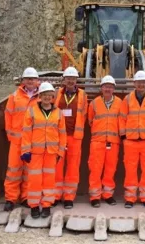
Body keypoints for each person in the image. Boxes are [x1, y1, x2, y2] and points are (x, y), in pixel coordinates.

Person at [21, 82, 66, 219]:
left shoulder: (58, 112)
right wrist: (26, 150)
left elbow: (62, 134)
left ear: (53, 96)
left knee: (49, 180)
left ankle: (47, 205)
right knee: (34, 179)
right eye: (44, 95)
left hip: (51, 152)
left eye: (49, 95)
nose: (47, 98)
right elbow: (26, 132)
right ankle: (34, 205)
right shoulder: (32, 111)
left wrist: (60, 152)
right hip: (35, 152)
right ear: (39, 96)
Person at [119, 70, 145, 208]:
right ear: (134, 83)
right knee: (130, 170)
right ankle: (130, 198)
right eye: (138, 82)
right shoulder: (127, 99)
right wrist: (124, 136)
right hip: (130, 141)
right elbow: (122, 118)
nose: (141, 84)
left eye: (143, 82)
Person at [4, 67, 39, 211]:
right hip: (17, 141)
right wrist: (10, 135)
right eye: (28, 79)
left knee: (29, 172)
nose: (30, 81)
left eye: (33, 79)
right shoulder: (14, 96)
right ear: (23, 80)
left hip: (32, 141)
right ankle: (11, 199)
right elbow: (8, 116)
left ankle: (25, 197)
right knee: (13, 170)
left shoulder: (42, 96)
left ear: (37, 81)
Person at [54, 67, 88, 209]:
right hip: (58, 136)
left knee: (73, 168)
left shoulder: (82, 95)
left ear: (76, 80)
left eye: (73, 78)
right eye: (68, 78)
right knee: (57, 167)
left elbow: (85, 114)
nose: (70, 81)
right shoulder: (56, 94)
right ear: (64, 80)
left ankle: (69, 197)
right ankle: (55, 196)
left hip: (75, 136)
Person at [88, 75, 122, 207]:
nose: (108, 89)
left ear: (113, 88)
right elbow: (90, 121)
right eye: (105, 86)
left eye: (110, 86)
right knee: (95, 169)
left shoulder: (120, 103)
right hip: (97, 141)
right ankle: (95, 196)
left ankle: (107, 195)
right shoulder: (94, 103)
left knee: (110, 169)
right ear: (101, 88)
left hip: (113, 142)